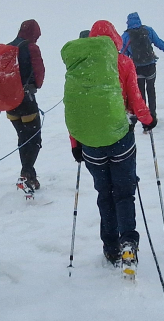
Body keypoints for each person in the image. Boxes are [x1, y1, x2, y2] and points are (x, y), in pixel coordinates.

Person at [66, 21, 155, 274]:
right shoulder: (123, 62)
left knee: (105, 195)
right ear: (114, 38)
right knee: (124, 193)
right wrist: (148, 120)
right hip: (120, 139)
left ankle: (111, 247)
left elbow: (75, 108)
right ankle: (128, 243)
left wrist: (75, 144)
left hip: (91, 145)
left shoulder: (79, 66)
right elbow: (135, 100)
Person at [120, 12, 164, 120]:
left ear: (128, 22)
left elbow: (123, 55)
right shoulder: (148, 30)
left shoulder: (126, 36)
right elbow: (161, 45)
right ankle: (153, 116)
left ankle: (144, 118)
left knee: (140, 93)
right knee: (151, 89)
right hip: (150, 66)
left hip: (137, 68)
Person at [5, 19, 45, 192]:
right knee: (34, 139)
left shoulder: (9, 47)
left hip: (10, 103)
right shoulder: (31, 48)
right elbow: (39, 74)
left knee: (23, 138)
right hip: (26, 101)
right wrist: (35, 85)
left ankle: (30, 176)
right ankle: (26, 174)